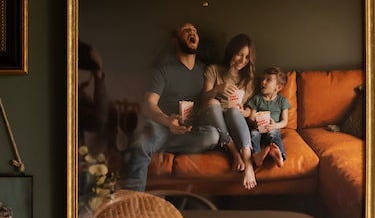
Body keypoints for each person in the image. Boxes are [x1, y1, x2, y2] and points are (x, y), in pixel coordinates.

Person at [120, 22, 221, 191]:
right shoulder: (163, 70)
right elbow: (148, 104)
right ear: (175, 40)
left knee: (212, 135)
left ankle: (168, 148)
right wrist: (168, 121)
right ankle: (132, 199)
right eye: (186, 30)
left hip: (188, 132)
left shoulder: (205, 72)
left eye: (195, 30)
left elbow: (208, 103)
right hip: (161, 127)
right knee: (141, 141)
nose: (192, 32)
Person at [199, 34, 259, 189]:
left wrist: (242, 111)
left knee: (233, 111)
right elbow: (204, 99)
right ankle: (235, 153)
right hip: (214, 119)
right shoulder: (214, 70)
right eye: (240, 54)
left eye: (247, 57)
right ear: (232, 51)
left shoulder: (248, 80)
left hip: (234, 120)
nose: (242, 60)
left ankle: (248, 164)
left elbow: (250, 112)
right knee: (213, 102)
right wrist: (218, 89)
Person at [246, 66, 290, 169]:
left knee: (273, 134)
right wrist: (254, 123)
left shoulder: (282, 101)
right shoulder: (257, 99)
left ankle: (279, 155)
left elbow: (284, 121)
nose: (263, 82)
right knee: (253, 134)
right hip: (259, 129)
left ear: (278, 87)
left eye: (268, 80)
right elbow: (251, 118)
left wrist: (275, 125)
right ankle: (256, 155)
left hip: (272, 129)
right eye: (263, 79)